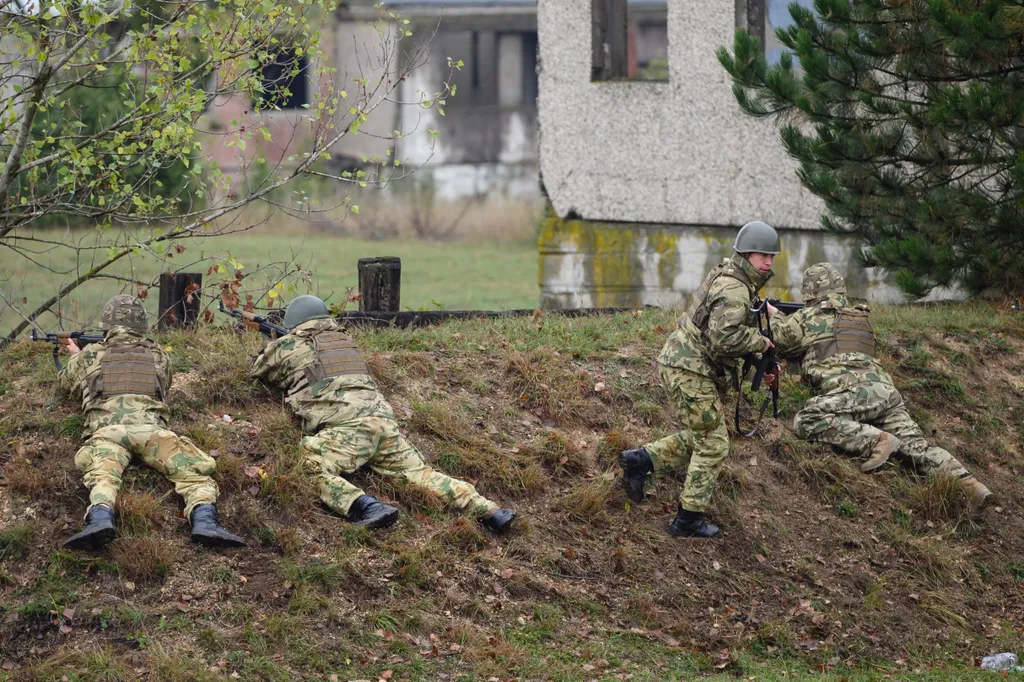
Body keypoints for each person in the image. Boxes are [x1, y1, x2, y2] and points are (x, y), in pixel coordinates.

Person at [249, 295, 516, 532]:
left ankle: (364, 506)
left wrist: (272, 342)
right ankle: (489, 510)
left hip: (348, 429)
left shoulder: (287, 345)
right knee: (421, 474)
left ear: (293, 322)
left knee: (306, 464)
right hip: (384, 426)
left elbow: (257, 372)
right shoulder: (346, 341)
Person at [770, 262, 992, 511]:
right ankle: (970, 484)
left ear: (809, 292)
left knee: (807, 419)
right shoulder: (860, 317)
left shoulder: (806, 317)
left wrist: (775, 313)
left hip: (856, 392)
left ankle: (877, 441)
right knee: (917, 447)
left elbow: (778, 339)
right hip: (886, 393)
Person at [618, 221, 783, 537]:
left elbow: (722, 331)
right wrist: (761, 342)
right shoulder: (734, 288)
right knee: (713, 443)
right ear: (747, 254)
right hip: (689, 369)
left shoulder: (736, 280)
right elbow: (724, 339)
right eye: (763, 255)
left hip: (690, 366)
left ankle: (640, 461)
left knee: (702, 436)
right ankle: (687, 520)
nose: (768, 262)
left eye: (772, 257)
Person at [59, 295, 245, 550]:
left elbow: (65, 385)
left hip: (107, 433)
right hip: (152, 432)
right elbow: (164, 385)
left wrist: (75, 355)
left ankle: (100, 519)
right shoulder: (158, 355)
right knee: (194, 475)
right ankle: (205, 521)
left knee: (102, 476)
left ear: (106, 325)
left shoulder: (90, 355)